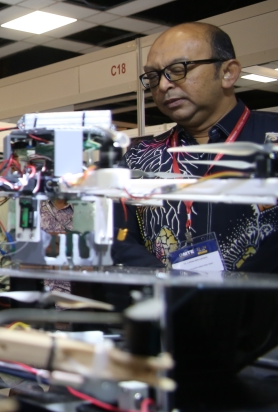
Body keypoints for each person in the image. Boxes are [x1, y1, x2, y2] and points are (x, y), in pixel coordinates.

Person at [114, 22, 278, 272]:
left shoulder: (271, 138)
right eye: (153, 76)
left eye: (178, 69)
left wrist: (235, 296)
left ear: (228, 72)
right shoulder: (138, 158)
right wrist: (175, 289)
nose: (163, 86)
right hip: (168, 305)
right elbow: (118, 239)